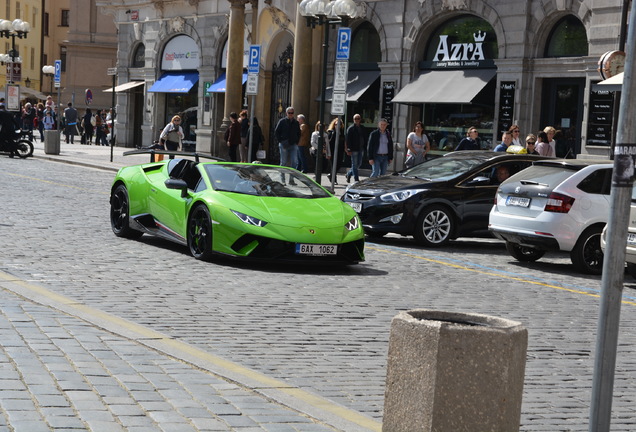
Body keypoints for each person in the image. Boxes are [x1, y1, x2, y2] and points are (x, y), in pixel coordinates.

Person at [345, 113, 366, 183]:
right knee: (354, 164)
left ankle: (348, 174)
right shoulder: (350, 128)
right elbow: (348, 140)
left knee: (358, 164)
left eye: (358, 118)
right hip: (354, 149)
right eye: (355, 119)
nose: (357, 120)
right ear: (353, 120)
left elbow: (365, 138)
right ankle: (356, 179)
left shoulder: (362, 128)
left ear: (360, 120)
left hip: (361, 148)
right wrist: (348, 149)